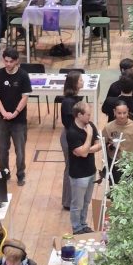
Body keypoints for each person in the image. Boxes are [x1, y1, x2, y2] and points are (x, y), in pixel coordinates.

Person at [0, 47, 32, 186]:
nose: (8, 64)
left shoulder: (23, 76)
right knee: (2, 150)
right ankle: (4, 174)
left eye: (11, 62)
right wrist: (4, 113)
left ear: (16, 61)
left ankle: (20, 175)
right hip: (3, 120)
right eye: (6, 61)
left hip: (19, 121)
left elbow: (25, 97)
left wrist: (15, 113)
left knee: (20, 151)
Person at [66, 101, 102, 234]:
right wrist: (89, 136)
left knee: (86, 202)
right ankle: (77, 228)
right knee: (77, 204)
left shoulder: (90, 125)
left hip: (91, 171)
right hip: (78, 175)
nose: (89, 117)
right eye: (87, 114)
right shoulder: (72, 132)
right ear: (79, 115)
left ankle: (83, 224)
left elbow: (99, 145)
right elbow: (82, 153)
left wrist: (86, 149)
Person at [59, 71, 83, 210]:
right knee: (70, 167)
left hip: (74, 135)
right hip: (70, 137)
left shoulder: (75, 99)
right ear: (74, 83)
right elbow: (70, 123)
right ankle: (67, 201)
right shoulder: (69, 102)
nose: (82, 82)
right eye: (80, 80)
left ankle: (74, 198)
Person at [103, 101, 133, 181]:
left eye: (124, 113)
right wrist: (112, 146)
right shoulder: (108, 127)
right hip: (115, 163)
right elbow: (104, 145)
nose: (122, 116)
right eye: (119, 113)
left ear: (128, 111)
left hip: (131, 163)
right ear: (114, 112)